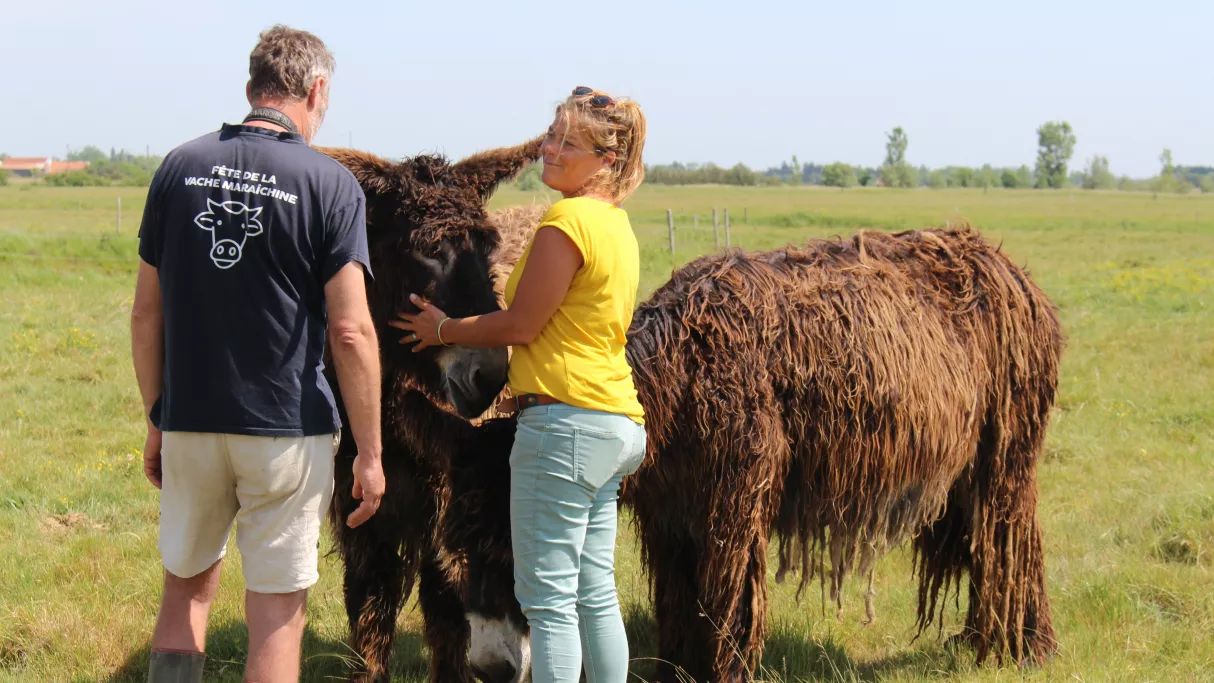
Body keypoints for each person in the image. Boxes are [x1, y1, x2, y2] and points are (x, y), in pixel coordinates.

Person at [130, 25, 385, 683]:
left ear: (251, 88)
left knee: (184, 588)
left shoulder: (177, 167)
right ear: (316, 89)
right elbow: (351, 330)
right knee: (276, 612)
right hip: (286, 432)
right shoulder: (331, 184)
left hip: (190, 418)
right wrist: (372, 452)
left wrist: (158, 414)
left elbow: (145, 312)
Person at [392, 86, 647, 683]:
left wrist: (443, 328)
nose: (549, 150)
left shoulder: (566, 221)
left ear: (607, 160)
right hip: (615, 424)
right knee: (594, 593)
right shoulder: (616, 225)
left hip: (563, 426)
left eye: (568, 143)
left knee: (549, 602)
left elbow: (522, 323)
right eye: (551, 135)